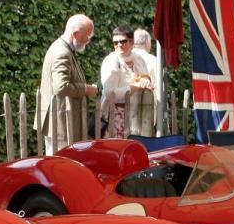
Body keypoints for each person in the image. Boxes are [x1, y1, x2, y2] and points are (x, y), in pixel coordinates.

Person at [36, 14, 98, 154]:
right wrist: (86, 89)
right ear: (75, 34)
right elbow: (61, 87)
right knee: (60, 166)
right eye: (87, 35)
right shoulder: (62, 52)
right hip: (61, 123)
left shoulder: (62, 48)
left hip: (60, 121)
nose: (88, 40)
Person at [99, 24, 154, 139]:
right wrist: (134, 87)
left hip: (138, 116)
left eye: (123, 41)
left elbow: (145, 77)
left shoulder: (138, 59)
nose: (119, 45)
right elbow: (109, 93)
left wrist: (145, 81)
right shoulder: (110, 61)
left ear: (131, 42)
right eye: (115, 42)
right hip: (115, 117)